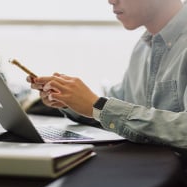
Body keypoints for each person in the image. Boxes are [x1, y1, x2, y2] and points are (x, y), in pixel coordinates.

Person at [27, 0, 187, 150]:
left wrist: (97, 106)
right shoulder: (143, 47)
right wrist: (69, 100)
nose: (111, 0)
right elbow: (122, 109)